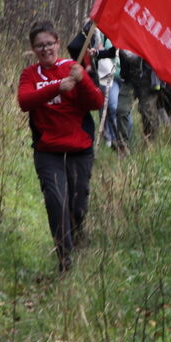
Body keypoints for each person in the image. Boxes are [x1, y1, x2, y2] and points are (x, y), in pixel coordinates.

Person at [17, 21, 105, 272]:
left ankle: (77, 236)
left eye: (49, 44)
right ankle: (64, 260)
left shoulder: (73, 67)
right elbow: (25, 101)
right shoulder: (30, 75)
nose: (45, 49)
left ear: (58, 43)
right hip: (48, 151)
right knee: (56, 202)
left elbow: (96, 102)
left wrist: (83, 80)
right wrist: (57, 87)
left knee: (77, 206)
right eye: (39, 46)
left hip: (79, 148)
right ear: (33, 49)